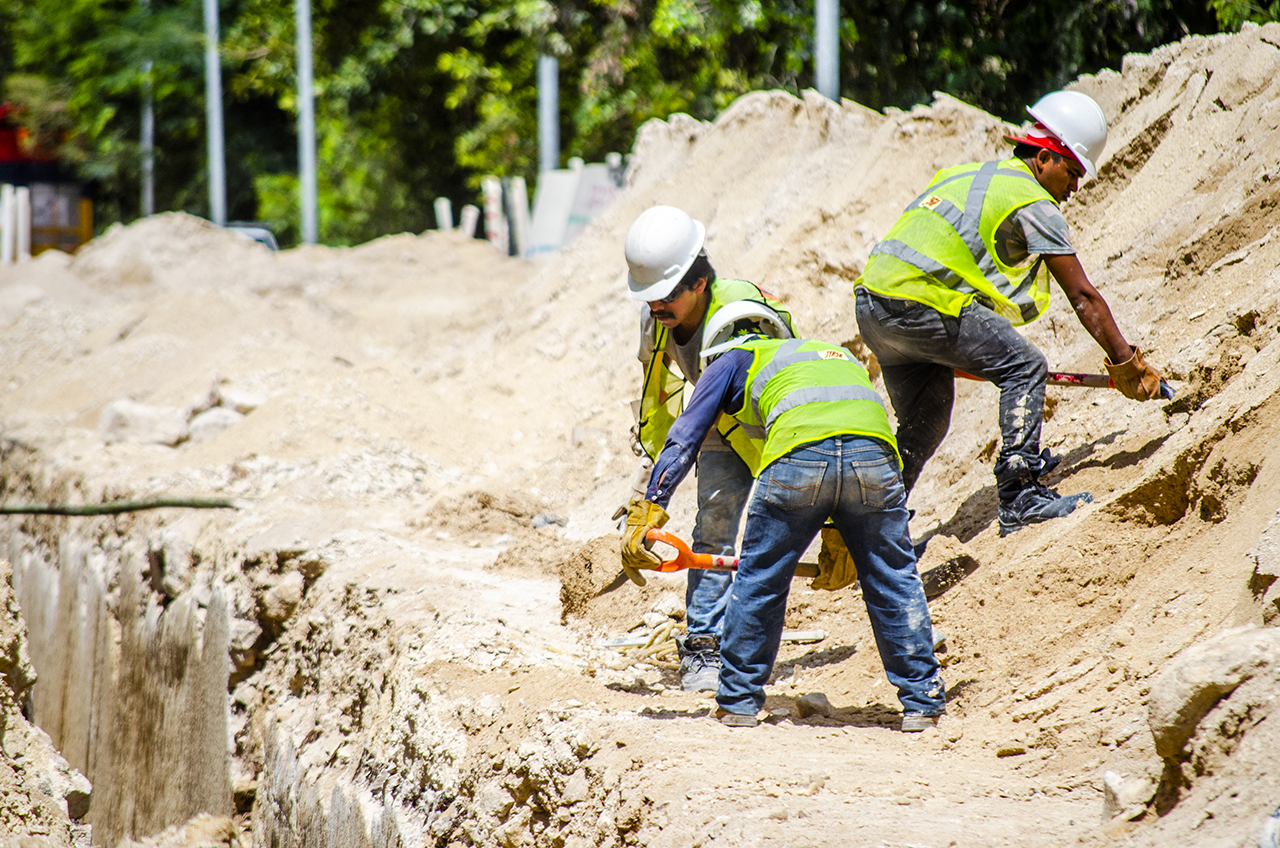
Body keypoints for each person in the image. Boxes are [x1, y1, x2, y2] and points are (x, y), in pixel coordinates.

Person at [853, 90, 1165, 536]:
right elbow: (1082, 296)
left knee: (927, 418)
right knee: (1024, 365)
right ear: (1043, 158)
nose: (1074, 188)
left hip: (873, 307)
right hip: (920, 303)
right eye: (1072, 172)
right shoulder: (1031, 202)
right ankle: (1020, 495)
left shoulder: (968, 174)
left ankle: (870, 524)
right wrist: (1126, 362)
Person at [620, 309, 945, 730]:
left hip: (798, 454)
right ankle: (922, 700)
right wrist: (843, 537)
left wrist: (650, 507)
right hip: (877, 458)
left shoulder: (732, 360)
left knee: (761, 578)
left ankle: (737, 700)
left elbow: (685, 436)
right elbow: (849, 430)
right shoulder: (829, 355)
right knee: (894, 576)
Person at [620, 205, 796, 692]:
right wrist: (645, 491)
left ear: (697, 282)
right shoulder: (656, 316)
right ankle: (703, 648)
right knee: (714, 530)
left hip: (772, 422)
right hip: (715, 425)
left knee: (792, 528)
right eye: (649, 298)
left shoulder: (739, 311)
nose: (656, 308)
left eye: (664, 297)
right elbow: (657, 406)